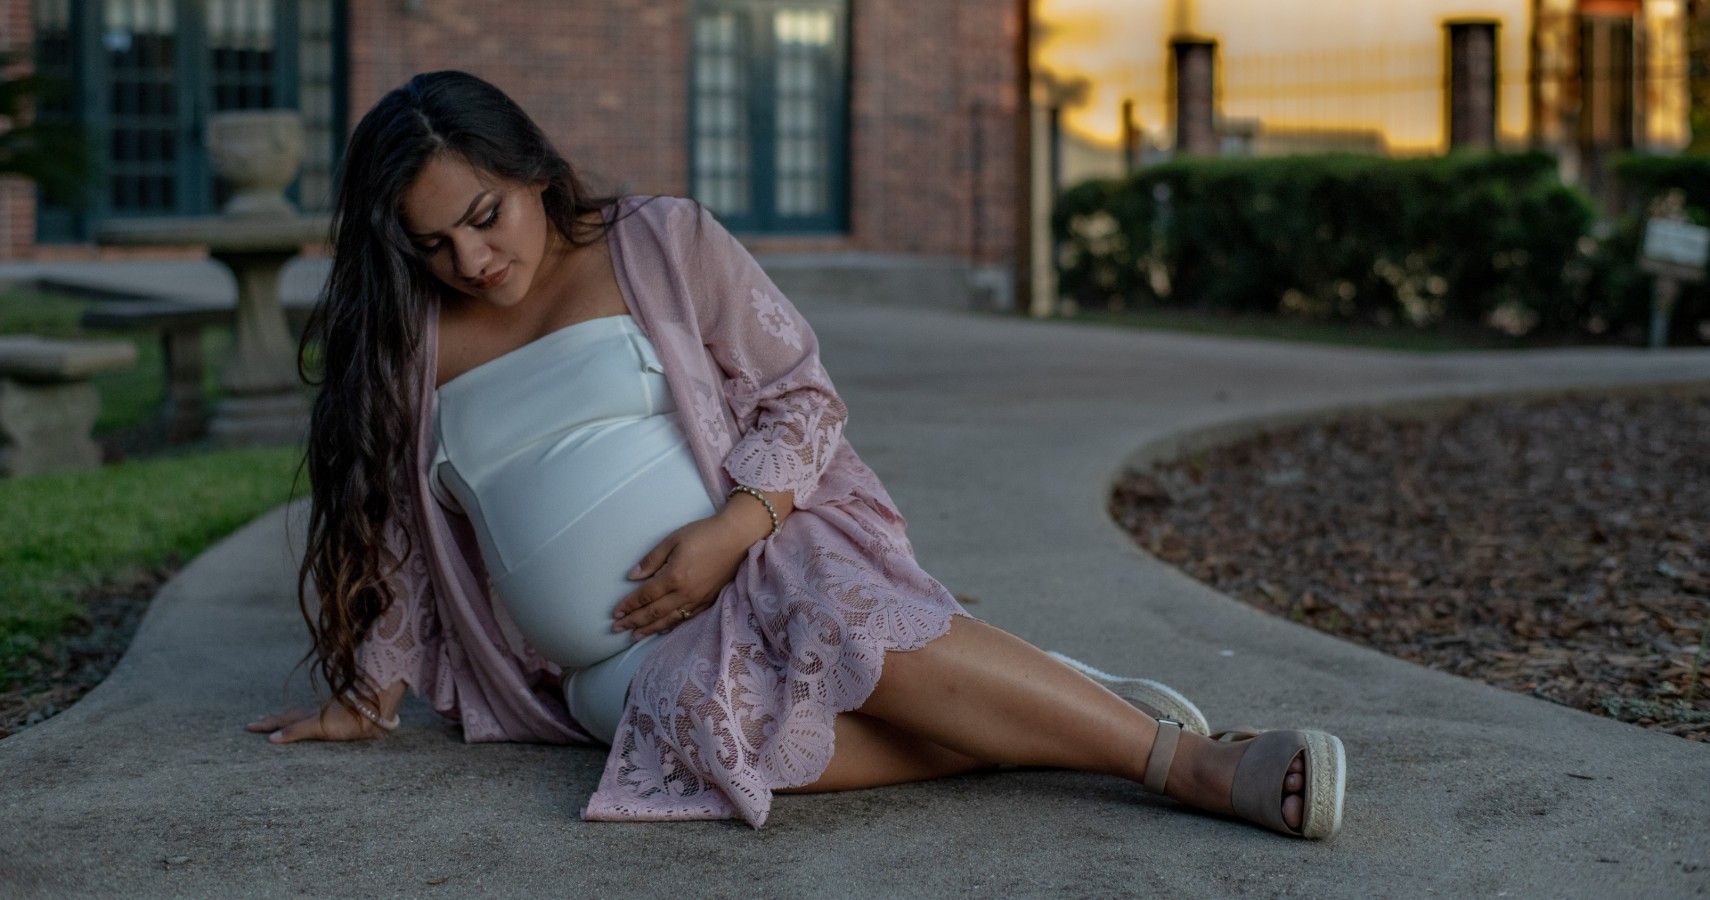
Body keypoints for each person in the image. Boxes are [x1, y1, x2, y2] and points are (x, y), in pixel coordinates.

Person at [245, 70, 1345, 839]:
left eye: (485, 216)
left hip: (764, 555)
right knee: (726, 747)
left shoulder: (659, 244)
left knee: (829, 613)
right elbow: (390, 526)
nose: (474, 259)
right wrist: (368, 690)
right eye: (434, 244)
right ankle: (1057, 704)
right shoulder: (414, 341)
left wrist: (733, 532)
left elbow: (802, 397)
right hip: (612, 669)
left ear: (529, 166)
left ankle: (1187, 767)